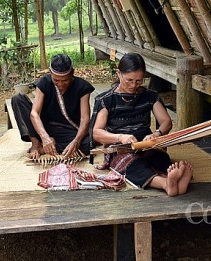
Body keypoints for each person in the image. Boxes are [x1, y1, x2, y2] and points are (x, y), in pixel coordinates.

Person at [92, 53, 193, 197]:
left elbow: (166, 122)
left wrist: (156, 134)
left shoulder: (149, 96)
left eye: (139, 81)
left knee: (160, 159)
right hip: (121, 149)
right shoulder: (106, 100)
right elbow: (97, 132)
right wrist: (121, 137)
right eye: (129, 80)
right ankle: (166, 184)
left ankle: (176, 181)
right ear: (119, 73)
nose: (133, 85)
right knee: (132, 166)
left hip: (147, 145)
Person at [11, 54, 95, 159]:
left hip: (68, 131)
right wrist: (45, 137)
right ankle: (36, 144)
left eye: (65, 80)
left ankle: (47, 149)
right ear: (50, 73)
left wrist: (76, 142)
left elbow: (85, 119)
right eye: (56, 80)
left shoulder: (82, 87)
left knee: (91, 141)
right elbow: (34, 113)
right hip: (44, 128)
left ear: (72, 72)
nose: (60, 84)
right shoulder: (44, 82)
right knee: (17, 99)